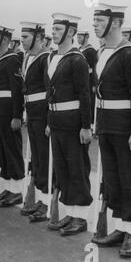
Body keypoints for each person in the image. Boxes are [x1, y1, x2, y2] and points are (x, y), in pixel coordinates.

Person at [91, 4, 131, 258]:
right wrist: (96, 124)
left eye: (99, 20)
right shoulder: (103, 52)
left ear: (115, 23)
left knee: (129, 179)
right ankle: (121, 228)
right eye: (95, 20)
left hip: (125, 128)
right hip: (106, 125)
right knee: (113, 180)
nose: (95, 24)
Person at [46, 13, 92, 236]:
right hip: (56, 122)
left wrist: (86, 125)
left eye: (57, 29)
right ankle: (71, 212)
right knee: (63, 169)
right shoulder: (54, 57)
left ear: (71, 32)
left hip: (73, 123)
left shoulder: (78, 59)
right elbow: (50, 94)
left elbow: (85, 94)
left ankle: (81, 217)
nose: (53, 33)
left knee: (77, 169)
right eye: (53, 29)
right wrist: (49, 121)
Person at [0, 24, 25, 206]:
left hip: (8, 112)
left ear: (6, 40)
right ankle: (8, 188)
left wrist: (17, 115)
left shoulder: (12, 59)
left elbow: (17, 90)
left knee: (12, 150)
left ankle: (16, 191)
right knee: (1, 151)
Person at [18, 22, 51, 222]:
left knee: (44, 158)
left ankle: (47, 202)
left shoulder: (45, 58)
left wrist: (49, 120)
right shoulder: (28, 58)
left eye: (26, 38)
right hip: (32, 112)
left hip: (42, 113)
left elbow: (49, 90)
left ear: (38, 38)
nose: (22, 41)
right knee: (37, 158)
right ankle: (39, 198)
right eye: (21, 38)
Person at [77, 30, 98, 125]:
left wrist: (94, 83)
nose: (78, 39)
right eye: (77, 37)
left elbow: (94, 68)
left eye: (80, 37)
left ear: (86, 37)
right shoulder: (78, 49)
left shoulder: (91, 51)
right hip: (79, 80)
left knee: (89, 102)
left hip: (88, 80)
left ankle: (90, 124)